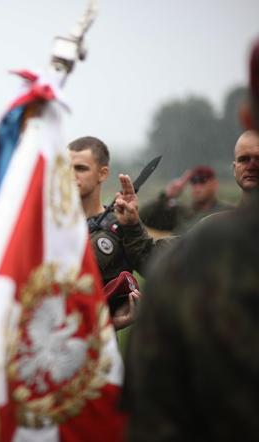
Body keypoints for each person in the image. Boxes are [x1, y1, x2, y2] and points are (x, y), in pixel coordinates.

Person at [124, 38, 259, 441]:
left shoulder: (211, 243)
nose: (252, 164)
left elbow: (151, 400)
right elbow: (155, 251)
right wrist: (135, 222)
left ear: (245, 111)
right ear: (233, 167)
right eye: (244, 158)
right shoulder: (206, 237)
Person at [68, 136, 163, 284]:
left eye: (81, 168)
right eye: (66, 167)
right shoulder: (53, 223)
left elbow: (153, 268)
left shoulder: (121, 227)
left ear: (103, 173)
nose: (71, 175)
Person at [140, 165, 233, 233]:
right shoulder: (180, 212)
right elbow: (144, 217)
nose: (197, 187)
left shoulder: (228, 212)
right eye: (193, 182)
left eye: (202, 181)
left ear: (214, 184)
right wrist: (167, 196)